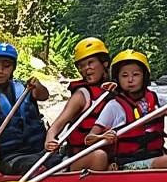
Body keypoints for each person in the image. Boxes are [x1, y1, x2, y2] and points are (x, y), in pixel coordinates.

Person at [86, 50, 167, 169]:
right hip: (128, 164)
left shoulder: (156, 98)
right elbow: (89, 139)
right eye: (124, 76)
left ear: (144, 77)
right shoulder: (114, 106)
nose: (130, 80)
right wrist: (102, 137)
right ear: (117, 79)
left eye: (136, 75)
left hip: (156, 156)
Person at [0, 41, 49, 175]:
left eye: (6, 66)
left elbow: (43, 96)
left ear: (13, 68)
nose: (0, 71)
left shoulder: (27, 88)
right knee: (35, 166)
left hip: (42, 150)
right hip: (12, 158)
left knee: (61, 161)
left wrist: (38, 85)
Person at [43, 36, 117, 173]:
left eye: (90, 63)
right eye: (81, 66)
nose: (86, 69)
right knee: (99, 157)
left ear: (104, 63)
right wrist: (50, 138)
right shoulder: (82, 95)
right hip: (79, 157)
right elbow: (57, 125)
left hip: (112, 154)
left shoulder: (117, 91)